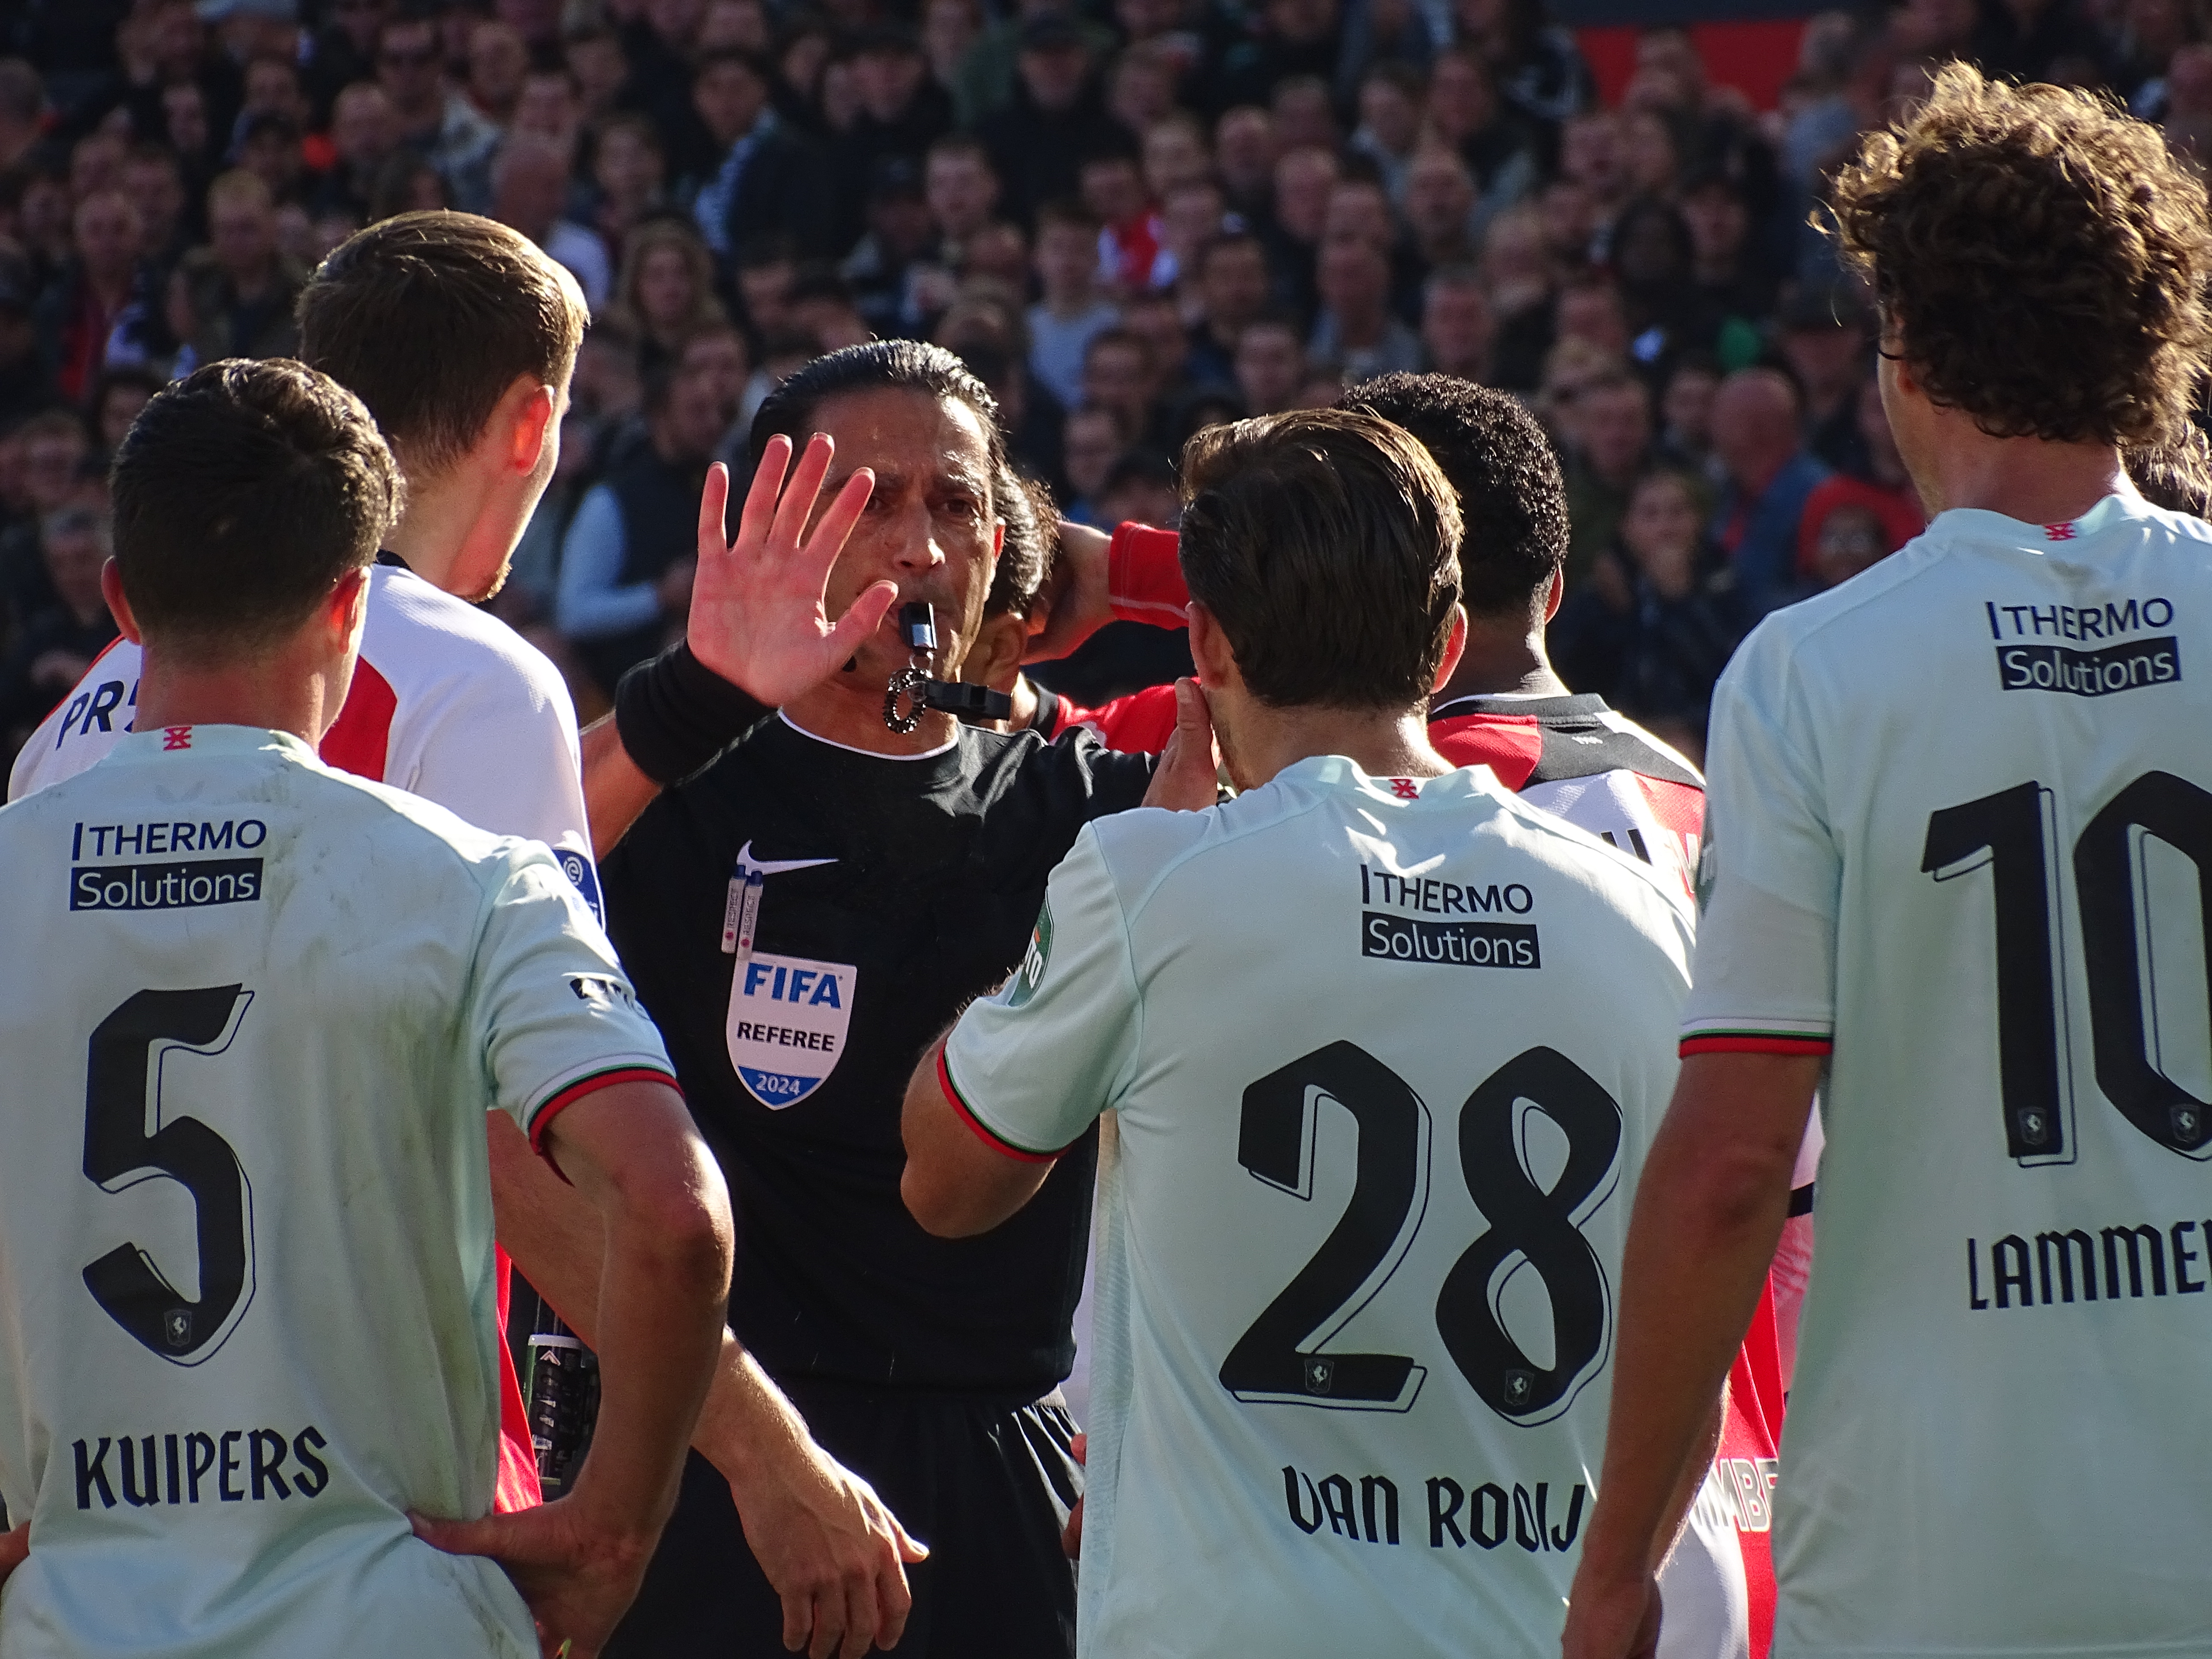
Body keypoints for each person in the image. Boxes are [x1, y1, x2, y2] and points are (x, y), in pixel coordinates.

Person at [15, 212, 927, 1659]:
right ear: (535, 418)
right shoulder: (480, 686)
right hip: (382, 1526)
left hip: (92, 1544)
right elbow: (535, 1152)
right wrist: (765, 1460)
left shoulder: (69, 740)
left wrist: (697, 698)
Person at [1565, 64, 2212, 1659]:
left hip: (1941, 1547)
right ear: (2150, 352)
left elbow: (1730, 1172)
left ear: (1905, 350)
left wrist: (1623, 1559)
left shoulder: (1813, 675)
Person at [899, 405, 1694, 1656]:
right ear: (1444, 648)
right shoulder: (1643, 912)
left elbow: (946, 1180)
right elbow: (1693, 1317)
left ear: (1201, 645)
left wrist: (1109, 906)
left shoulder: (1150, 883)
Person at [0, 357, 733, 1657]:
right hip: (389, 1610)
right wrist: (614, 1527)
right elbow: (673, 1218)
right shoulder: (474, 879)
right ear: (349, 603)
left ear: (122, 604)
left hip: (76, 1610)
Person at [573, 339, 1216, 1657]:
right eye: (866, 500)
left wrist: (1136, 574)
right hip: (720, 1456)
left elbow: (1369, 629)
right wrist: (701, 691)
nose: (920, 545)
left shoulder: (1089, 795)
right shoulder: (674, 778)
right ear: (772, 530)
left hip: (1000, 1474)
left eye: (955, 504)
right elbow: (477, 892)